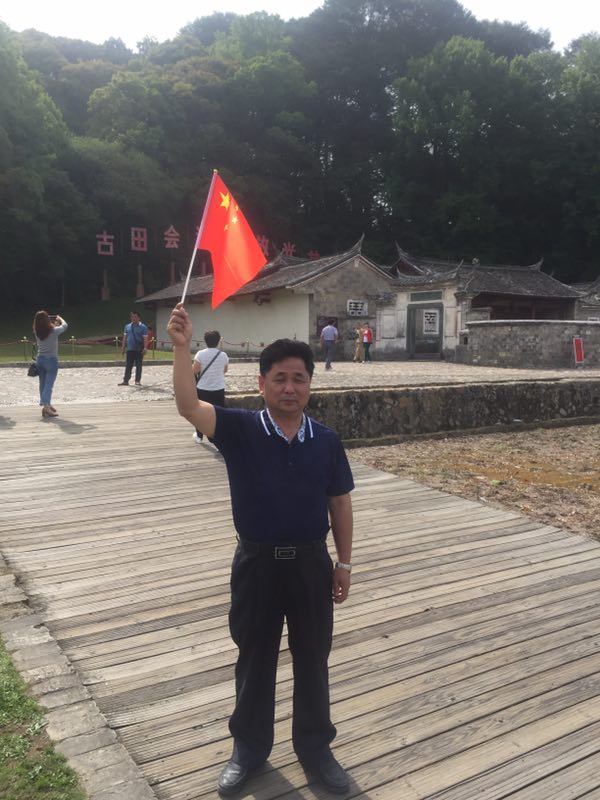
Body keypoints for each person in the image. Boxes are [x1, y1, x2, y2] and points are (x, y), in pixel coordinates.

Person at [167, 304, 354, 797]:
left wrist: (344, 562)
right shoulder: (240, 429)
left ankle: (316, 748)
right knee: (254, 658)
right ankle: (248, 748)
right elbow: (189, 406)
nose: (289, 388)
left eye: (298, 379)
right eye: (279, 379)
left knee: (313, 658)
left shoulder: (326, 440)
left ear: (310, 385)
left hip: (312, 564)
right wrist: (182, 349)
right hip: (256, 565)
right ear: (261, 384)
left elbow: (339, 502)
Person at [192, 330, 228, 443]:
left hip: (203, 388)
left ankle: (199, 436)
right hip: (218, 388)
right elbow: (225, 370)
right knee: (218, 414)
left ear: (205, 341)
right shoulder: (223, 355)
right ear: (218, 341)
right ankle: (218, 440)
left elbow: (195, 371)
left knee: (200, 412)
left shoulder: (200, 354)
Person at [33, 311, 68, 418]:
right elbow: (65, 326)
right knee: (49, 385)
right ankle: (46, 407)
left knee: (42, 384)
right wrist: (60, 318)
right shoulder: (53, 331)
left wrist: (55, 324)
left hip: (40, 360)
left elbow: (48, 331)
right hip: (51, 360)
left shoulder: (37, 331)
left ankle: (46, 404)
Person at [118, 311, 148, 386]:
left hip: (139, 349)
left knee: (138, 365)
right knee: (128, 365)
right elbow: (125, 338)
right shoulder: (127, 326)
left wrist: (145, 348)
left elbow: (145, 339)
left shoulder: (143, 327)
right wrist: (123, 347)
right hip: (130, 349)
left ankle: (137, 380)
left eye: (135, 317)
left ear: (139, 318)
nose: (133, 318)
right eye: (132, 317)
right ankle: (126, 380)